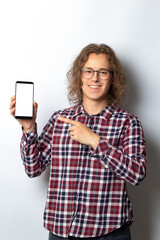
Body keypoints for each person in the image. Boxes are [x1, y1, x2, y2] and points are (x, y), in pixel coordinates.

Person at [10, 43, 146, 240]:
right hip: (62, 231)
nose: (95, 78)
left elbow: (137, 173)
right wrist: (29, 128)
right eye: (88, 71)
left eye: (103, 72)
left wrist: (95, 141)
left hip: (108, 232)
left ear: (113, 78)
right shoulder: (60, 120)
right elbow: (33, 169)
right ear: (79, 76)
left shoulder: (128, 123)